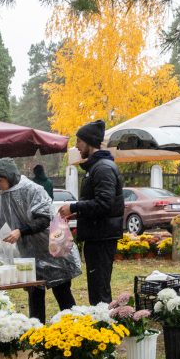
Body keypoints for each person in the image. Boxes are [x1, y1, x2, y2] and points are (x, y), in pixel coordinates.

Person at [0, 158, 80, 323]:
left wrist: (21, 231)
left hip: (52, 250)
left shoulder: (32, 189)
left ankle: (77, 333)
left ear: (10, 176)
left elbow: (44, 219)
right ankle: (36, 335)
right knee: (35, 298)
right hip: (29, 256)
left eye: (0, 180)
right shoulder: (2, 197)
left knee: (63, 296)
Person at [57, 119, 124, 305]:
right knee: (97, 288)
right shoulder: (96, 167)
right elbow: (99, 205)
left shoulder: (102, 168)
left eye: (79, 141)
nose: (76, 146)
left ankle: (105, 329)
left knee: (100, 291)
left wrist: (74, 206)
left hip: (102, 238)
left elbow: (104, 204)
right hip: (97, 235)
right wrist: (78, 214)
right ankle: (102, 326)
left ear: (89, 142)